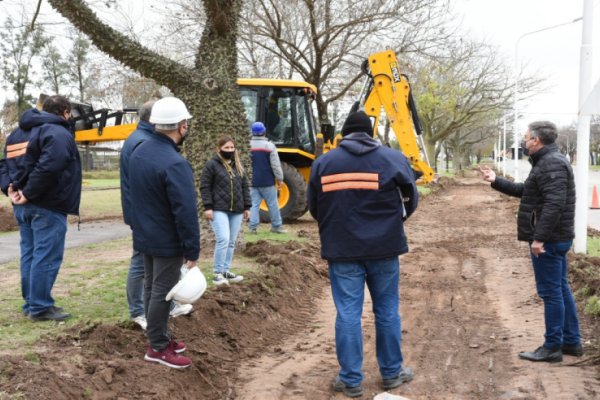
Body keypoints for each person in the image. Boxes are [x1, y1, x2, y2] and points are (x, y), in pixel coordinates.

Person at [308, 110, 418, 398]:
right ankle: (392, 374)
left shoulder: (324, 163)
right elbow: (411, 199)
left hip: (342, 250)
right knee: (387, 310)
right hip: (384, 249)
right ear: (370, 133)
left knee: (347, 313)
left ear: (344, 134)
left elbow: (314, 207)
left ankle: (351, 379)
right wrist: (392, 223)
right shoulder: (393, 158)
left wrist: (336, 228)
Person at [479, 121, 582, 363]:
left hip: (551, 240)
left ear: (536, 140)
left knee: (551, 293)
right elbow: (527, 191)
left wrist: (539, 239)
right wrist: (495, 180)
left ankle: (552, 346)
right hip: (556, 238)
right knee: (561, 289)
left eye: (526, 138)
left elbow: (554, 205)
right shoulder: (547, 162)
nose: (524, 143)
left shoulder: (551, 164)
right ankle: (571, 342)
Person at [129, 96, 199, 369]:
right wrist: (191, 249)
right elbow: (185, 210)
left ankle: (158, 336)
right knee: (162, 292)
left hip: (145, 234)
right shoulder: (174, 163)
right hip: (167, 238)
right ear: (181, 125)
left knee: (150, 287)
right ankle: (157, 347)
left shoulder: (139, 152)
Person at [0, 95, 81, 321]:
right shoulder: (58, 133)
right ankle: (40, 307)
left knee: (30, 254)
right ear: (65, 111)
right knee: (46, 256)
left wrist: (9, 188)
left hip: (23, 206)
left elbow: (4, 165)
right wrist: (28, 193)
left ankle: (31, 303)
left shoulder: (16, 133)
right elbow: (49, 167)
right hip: (47, 204)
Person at [119, 101, 192, 331]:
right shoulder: (143, 143)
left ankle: (153, 315)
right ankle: (140, 312)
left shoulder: (139, 140)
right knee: (146, 271)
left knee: (150, 276)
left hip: (143, 217)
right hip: (150, 221)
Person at [200, 135, 251, 286]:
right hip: (218, 209)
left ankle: (225, 270)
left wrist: (247, 207)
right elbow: (205, 187)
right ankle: (217, 273)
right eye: (226, 148)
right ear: (219, 149)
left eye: (231, 147)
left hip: (236, 209)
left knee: (231, 241)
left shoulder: (238, 166)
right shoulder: (211, 165)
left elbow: (244, 187)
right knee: (223, 239)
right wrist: (208, 207)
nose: (229, 150)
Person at [248, 121, 285, 234]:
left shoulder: (247, 146)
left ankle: (252, 228)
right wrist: (280, 179)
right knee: (273, 204)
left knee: (254, 205)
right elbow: (275, 165)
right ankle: (276, 227)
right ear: (264, 131)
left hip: (252, 182)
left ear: (252, 132)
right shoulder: (269, 146)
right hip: (267, 182)